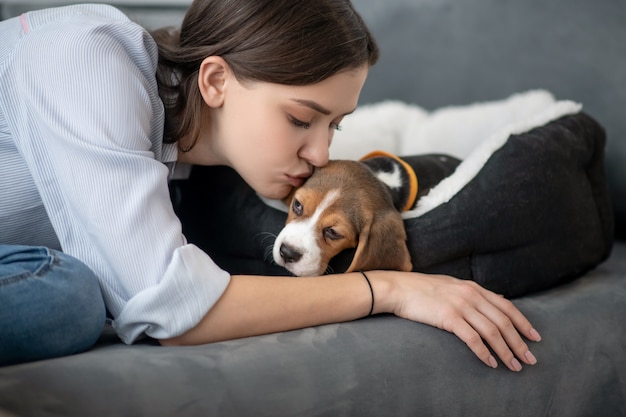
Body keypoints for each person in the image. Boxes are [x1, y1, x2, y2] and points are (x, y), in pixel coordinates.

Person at [0, 0, 541, 370]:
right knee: (68, 296)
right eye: (301, 119)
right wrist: (389, 289)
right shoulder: (86, 64)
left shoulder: (184, 152)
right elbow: (168, 308)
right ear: (215, 81)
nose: (321, 154)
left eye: (335, 125)